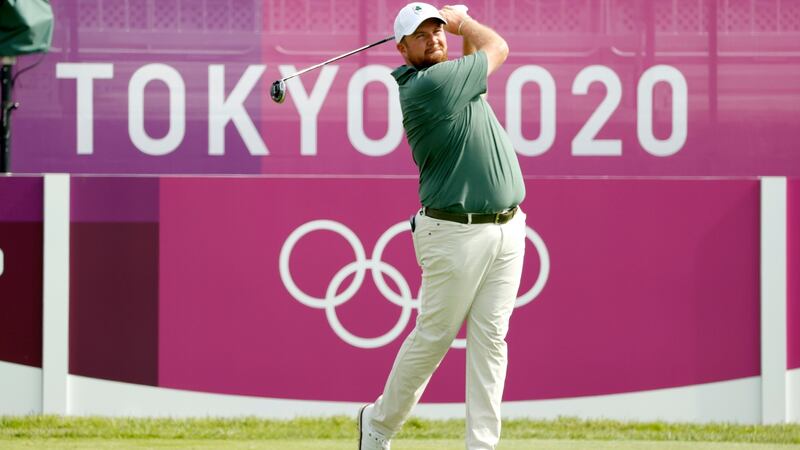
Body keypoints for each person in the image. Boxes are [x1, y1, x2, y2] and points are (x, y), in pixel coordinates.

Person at [358, 3, 527, 450]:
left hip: (507, 229)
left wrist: (458, 30)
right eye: (422, 34)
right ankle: (377, 424)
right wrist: (461, 21)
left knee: (492, 340)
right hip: (455, 233)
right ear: (402, 49)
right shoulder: (430, 85)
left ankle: (482, 445)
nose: (435, 38)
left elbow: (476, 63)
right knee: (433, 339)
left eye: (438, 30)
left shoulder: (455, 82)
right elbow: (498, 47)